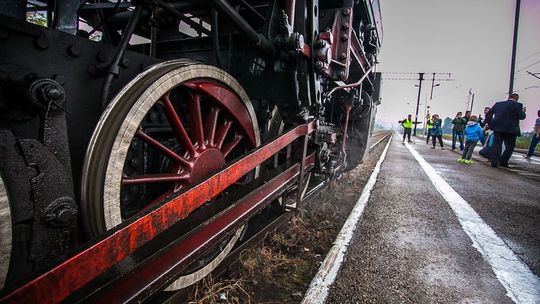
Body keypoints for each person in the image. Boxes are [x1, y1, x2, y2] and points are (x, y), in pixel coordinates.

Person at [485, 93, 526, 168]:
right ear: (517, 99)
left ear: (509, 97)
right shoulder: (518, 105)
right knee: (510, 146)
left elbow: (488, 114)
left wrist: (490, 124)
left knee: (496, 145)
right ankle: (503, 161)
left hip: (498, 128)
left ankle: (494, 162)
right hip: (511, 129)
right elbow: (522, 117)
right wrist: (523, 111)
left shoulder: (498, 104)